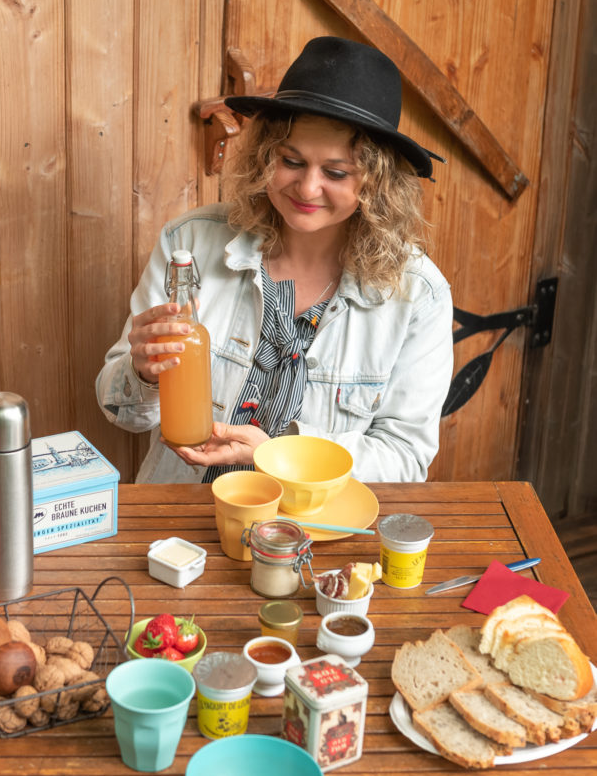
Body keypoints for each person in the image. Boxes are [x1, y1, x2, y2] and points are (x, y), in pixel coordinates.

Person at [96, 36, 453, 483]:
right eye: (292, 160)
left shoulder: (418, 294)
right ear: (266, 155)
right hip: (179, 530)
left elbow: (404, 460)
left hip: (313, 534)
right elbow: (121, 412)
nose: (307, 188)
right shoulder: (189, 245)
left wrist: (283, 454)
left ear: (377, 183)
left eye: (336, 172)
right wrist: (143, 374)